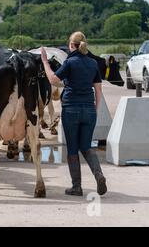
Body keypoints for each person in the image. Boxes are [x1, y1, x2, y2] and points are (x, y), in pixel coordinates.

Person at [41, 31, 107, 197]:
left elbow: (53, 80)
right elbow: (98, 90)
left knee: (72, 148)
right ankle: (98, 174)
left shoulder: (70, 62)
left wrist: (45, 62)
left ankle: (76, 187)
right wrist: (95, 111)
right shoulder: (93, 63)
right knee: (86, 146)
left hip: (71, 109)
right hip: (89, 110)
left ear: (71, 45)